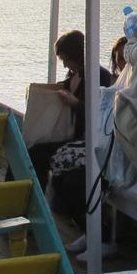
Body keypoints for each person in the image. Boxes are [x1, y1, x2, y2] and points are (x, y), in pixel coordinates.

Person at [29, 30, 113, 250]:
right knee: (34, 152)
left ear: (76, 55)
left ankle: (98, 235)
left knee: (67, 180)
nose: (65, 64)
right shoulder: (75, 76)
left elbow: (101, 114)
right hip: (74, 141)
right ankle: (28, 210)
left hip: (93, 143)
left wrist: (75, 103)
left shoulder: (100, 76)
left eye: (66, 59)